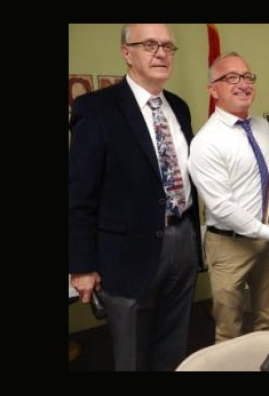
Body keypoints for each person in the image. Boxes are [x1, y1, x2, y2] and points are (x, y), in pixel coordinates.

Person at [69, 24, 203, 371]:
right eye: (149, 44)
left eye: (168, 47)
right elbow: (80, 194)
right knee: (130, 357)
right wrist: (82, 265)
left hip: (182, 241)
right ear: (126, 53)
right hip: (125, 254)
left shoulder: (179, 107)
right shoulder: (96, 109)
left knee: (174, 346)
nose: (161, 52)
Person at [188, 52, 269, 344]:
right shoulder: (206, 142)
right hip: (230, 245)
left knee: (268, 319)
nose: (242, 83)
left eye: (247, 76)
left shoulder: (262, 127)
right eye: (231, 78)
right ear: (213, 90)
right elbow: (222, 207)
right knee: (229, 327)